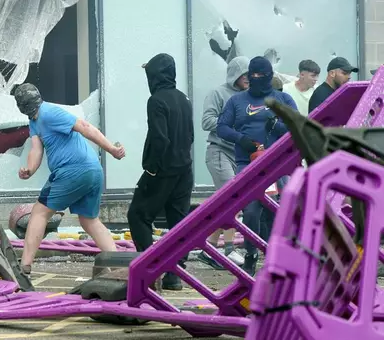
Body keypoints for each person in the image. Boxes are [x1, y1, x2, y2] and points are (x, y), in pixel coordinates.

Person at [12, 83, 126, 275]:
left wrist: (112, 150)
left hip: (72, 171)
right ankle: (119, 270)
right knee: (90, 221)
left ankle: (24, 266)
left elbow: (84, 126)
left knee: (39, 213)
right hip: (93, 171)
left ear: (21, 106)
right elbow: (36, 150)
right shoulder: (35, 122)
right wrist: (29, 169)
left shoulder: (49, 112)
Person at [217, 56, 298, 276]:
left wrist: (279, 126)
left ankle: (276, 260)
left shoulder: (283, 98)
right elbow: (221, 127)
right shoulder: (237, 101)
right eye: (253, 75)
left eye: (262, 75)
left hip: (277, 166)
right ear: (247, 76)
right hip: (248, 165)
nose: (257, 79)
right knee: (251, 210)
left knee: (277, 213)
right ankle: (251, 255)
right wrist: (239, 138)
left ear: (270, 76)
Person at [127, 53, 194, 291]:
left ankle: (148, 269)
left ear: (154, 76)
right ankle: (174, 275)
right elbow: (190, 136)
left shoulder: (156, 100)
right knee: (178, 223)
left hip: (163, 170)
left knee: (138, 215)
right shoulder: (184, 98)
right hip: (185, 170)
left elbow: (160, 137)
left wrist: (152, 169)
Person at [199, 56, 250, 270]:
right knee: (232, 199)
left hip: (240, 155)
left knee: (232, 202)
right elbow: (206, 121)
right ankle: (227, 249)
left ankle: (211, 248)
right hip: (219, 152)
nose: (249, 79)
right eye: (245, 75)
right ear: (235, 74)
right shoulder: (218, 93)